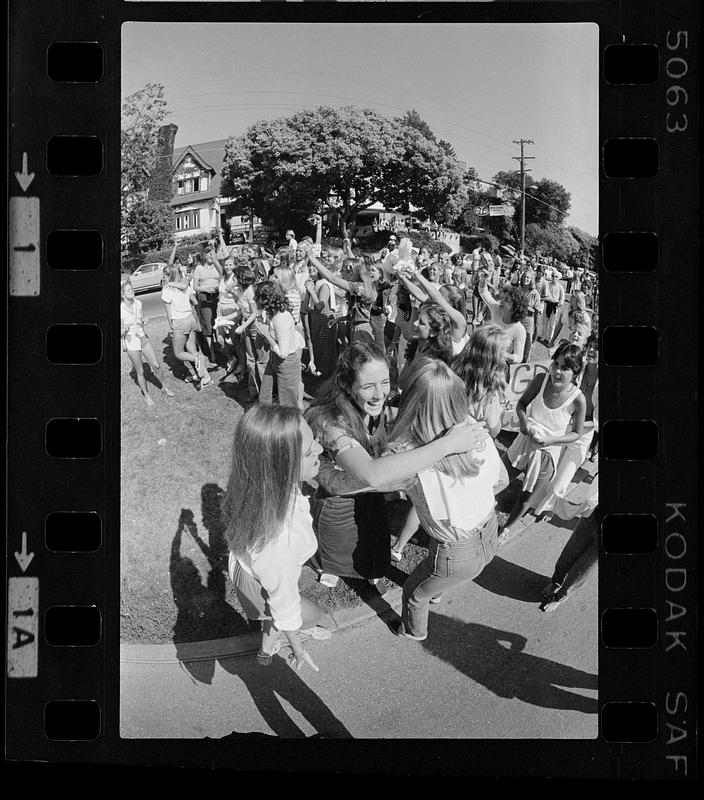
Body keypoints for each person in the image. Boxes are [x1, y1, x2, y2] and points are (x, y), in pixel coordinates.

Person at [304, 341, 488, 589]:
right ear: (347, 385)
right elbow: (371, 473)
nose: (380, 394)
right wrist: (448, 444)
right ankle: (329, 569)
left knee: (371, 547)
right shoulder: (330, 422)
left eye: (384, 382)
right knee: (336, 553)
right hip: (338, 506)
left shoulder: (376, 408)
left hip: (371, 502)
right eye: (368, 386)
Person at [384, 358, 508, 640]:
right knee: (437, 576)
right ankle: (437, 592)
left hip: (454, 552)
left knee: (413, 594)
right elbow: (502, 481)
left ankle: (413, 631)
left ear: (411, 400)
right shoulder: (475, 430)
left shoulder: (407, 456)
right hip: (488, 535)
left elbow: (369, 481)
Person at [223, 404, 332, 670]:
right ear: (281, 468)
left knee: (271, 615)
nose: (319, 449)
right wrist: (298, 647)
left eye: (314, 440)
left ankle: (267, 646)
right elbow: (284, 602)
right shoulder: (282, 538)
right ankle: (279, 642)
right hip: (262, 577)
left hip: (248, 567)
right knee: (315, 615)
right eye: (308, 452)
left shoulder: (258, 485)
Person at [500, 343, 587, 541]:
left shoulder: (578, 399)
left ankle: (506, 528)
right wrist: (523, 423)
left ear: (575, 372)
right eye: (555, 364)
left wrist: (552, 439)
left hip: (547, 454)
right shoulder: (541, 379)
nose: (556, 371)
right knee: (499, 478)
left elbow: (576, 434)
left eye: (564, 368)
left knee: (526, 497)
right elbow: (521, 404)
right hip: (523, 442)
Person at [120, 281, 175, 405]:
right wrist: (123, 331)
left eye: (132, 289)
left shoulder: (138, 304)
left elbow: (141, 321)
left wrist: (143, 326)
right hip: (131, 342)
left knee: (156, 365)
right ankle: (146, 395)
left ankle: (164, 387)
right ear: (123, 295)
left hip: (142, 337)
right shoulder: (121, 310)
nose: (132, 291)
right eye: (128, 290)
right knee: (140, 371)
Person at [307, 251, 376, 346]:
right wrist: (339, 319)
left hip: (361, 329)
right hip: (356, 327)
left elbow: (332, 279)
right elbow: (357, 313)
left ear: (351, 272)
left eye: (343, 270)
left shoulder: (358, 287)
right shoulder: (359, 287)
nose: (340, 272)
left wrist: (311, 258)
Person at [253, 281, 304, 409]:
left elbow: (283, 353)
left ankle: (293, 426)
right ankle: (265, 422)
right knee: (264, 396)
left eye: (256, 297)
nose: (254, 299)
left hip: (286, 363)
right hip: (274, 359)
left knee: (287, 405)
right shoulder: (273, 314)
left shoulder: (281, 317)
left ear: (265, 299)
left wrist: (266, 335)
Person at [451, 324, 507, 439]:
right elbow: (493, 429)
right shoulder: (489, 391)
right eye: (504, 351)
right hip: (472, 444)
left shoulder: (451, 370)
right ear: (494, 357)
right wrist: (500, 410)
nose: (506, 356)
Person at [160, 264, 212, 387]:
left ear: (168, 276)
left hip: (179, 322)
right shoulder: (184, 286)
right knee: (192, 349)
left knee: (178, 353)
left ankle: (198, 360)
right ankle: (206, 377)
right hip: (190, 319)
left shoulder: (167, 290)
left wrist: (172, 326)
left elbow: (169, 312)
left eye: (163, 276)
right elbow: (194, 301)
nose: (162, 279)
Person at [478, 277, 528, 367]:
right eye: (503, 298)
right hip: (482, 360)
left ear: (516, 307)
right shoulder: (497, 310)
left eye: (507, 300)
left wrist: (504, 355)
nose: (502, 301)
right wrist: (483, 281)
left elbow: (519, 357)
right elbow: (484, 293)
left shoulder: (520, 330)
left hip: (497, 368)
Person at [304, 260, 338, 378]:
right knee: (319, 346)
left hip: (325, 319)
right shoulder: (316, 283)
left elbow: (320, 306)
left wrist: (311, 290)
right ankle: (323, 373)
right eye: (309, 266)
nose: (311, 268)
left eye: (314, 266)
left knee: (326, 348)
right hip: (317, 320)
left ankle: (328, 375)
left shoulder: (324, 284)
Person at [192, 249, 223, 364]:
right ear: (204, 255)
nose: (211, 255)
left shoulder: (216, 266)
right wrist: (205, 289)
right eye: (209, 253)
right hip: (205, 298)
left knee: (218, 323)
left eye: (212, 253)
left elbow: (223, 274)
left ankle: (221, 348)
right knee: (208, 326)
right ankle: (212, 353)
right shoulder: (199, 268)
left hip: (217, 297)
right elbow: (195, 287)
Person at [538, 269, 566, 344]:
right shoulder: (547, 284)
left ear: (558, 278)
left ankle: (549, 338)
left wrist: (560, 303)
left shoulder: (560, 287)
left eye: (555, 276)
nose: (554, 277)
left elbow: (562, 298)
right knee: (544, 321)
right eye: (553, 276)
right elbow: (544, 293)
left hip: (555, 307)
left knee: (552, 324)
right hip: (547, 304)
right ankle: (543, 336)